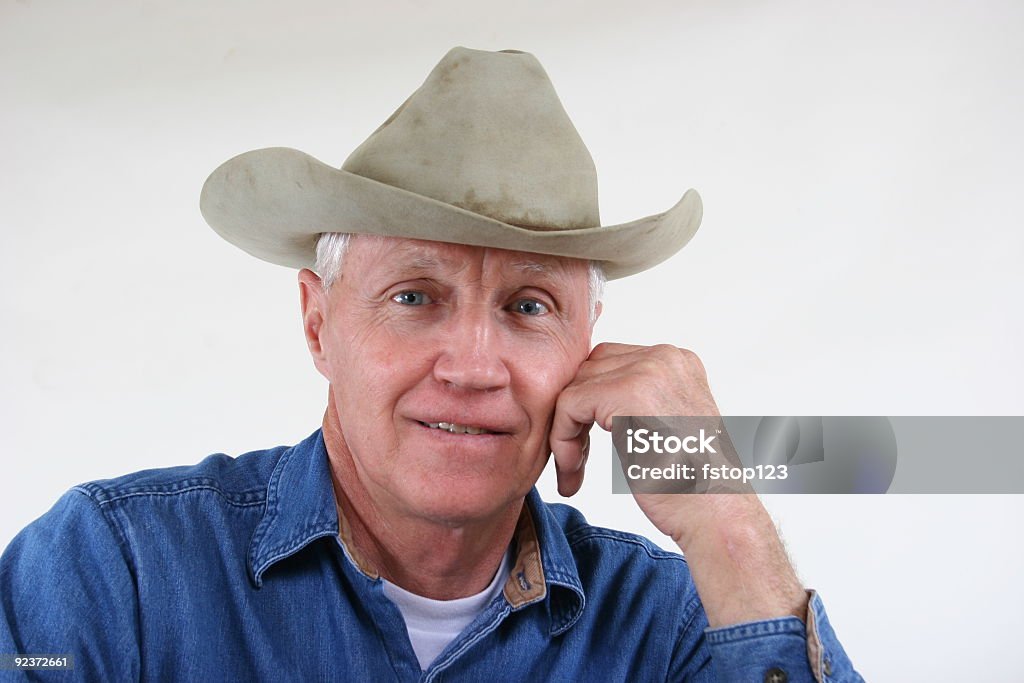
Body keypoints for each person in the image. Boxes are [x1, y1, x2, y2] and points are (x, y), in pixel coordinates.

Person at [0, 47, 862, 682]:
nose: (475, 364)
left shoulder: (673, 623)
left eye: (529, 306)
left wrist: (731, 523)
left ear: (589, 344)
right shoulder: (113, 572)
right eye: (415, 296)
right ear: (317, 323)